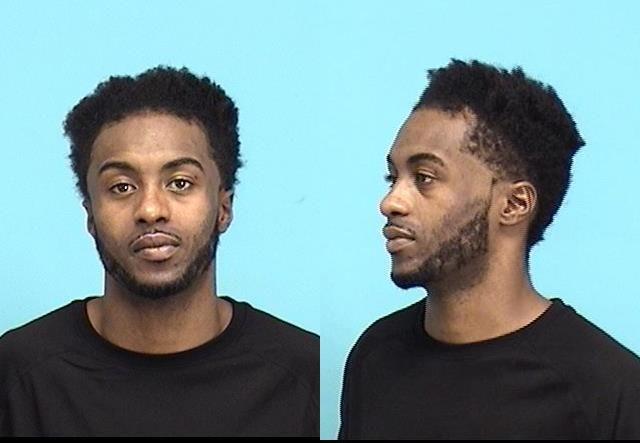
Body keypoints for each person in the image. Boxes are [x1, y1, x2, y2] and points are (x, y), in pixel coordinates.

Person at [0, 66, 319, 437]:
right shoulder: (19, 377)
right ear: (90, 215)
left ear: (223, 208)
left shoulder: (302, 375)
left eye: (180, 183)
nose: (150, 210)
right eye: (121, 187)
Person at [339, 59, 640, 439]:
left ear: (513, 204)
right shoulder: (376, 355)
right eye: (392, 177)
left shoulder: (610, 392)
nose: (391, 202)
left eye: (424, 178)